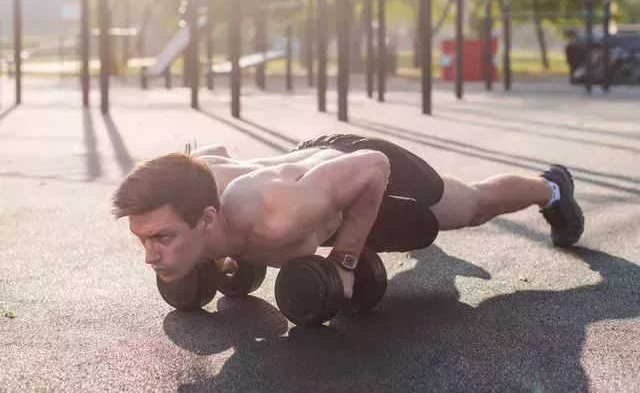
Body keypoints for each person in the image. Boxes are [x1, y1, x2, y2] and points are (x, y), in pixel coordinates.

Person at [112, 134, 584, 298]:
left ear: (208, 217)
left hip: (359, 163)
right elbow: (212, 153)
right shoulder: (191, 186)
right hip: (305, 170)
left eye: (162, 238)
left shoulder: (276, 215)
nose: (150, 256)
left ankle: (553, 188)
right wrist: (216, 253)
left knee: (472, 207)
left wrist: (344, 261)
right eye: (144, 240)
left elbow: (372, 169)